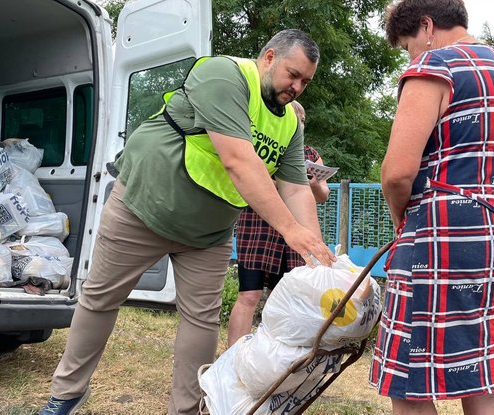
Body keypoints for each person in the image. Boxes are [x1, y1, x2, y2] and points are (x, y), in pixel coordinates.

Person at [38, 29, 336, 415]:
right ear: (268, 57)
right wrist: (290, 231)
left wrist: (314, 251)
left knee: (202, 320)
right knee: (99, 298)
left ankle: (185, 410)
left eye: (305, 82)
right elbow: (237, 160)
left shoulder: (289, 125)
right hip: (143, 208)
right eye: (292, 74)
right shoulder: (223, 76)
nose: (296, 87)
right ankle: (67, 393)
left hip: (208, 233)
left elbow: (296, 188)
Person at [370, 0, 494, 415]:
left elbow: (397, 172)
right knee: (491, 376)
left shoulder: (435, 66)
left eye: (409, 45)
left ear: (426, 27)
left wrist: (400, 219)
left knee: (409, 381)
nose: (411, 56)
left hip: (446, 236)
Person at [226, 100, 330, 347]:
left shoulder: (311, 155)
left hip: (295, 238)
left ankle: (273, 357)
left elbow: (323, 195)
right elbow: (248, 181)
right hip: (257, 229)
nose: (299, 124)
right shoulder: (261, 147)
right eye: (294, 118)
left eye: (302, 120)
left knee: (284, 299)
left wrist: (313, 185)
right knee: (249, 295)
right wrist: (284, 184)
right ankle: (232, 357)